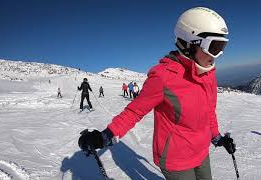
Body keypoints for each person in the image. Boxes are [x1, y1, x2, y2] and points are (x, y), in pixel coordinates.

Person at [78, 7, 236, 180]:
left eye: (223, 46)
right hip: (176, 159)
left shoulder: (207, 74)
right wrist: (105, 136)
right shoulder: (163, 77)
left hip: (201, 151)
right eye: (214, 46)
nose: (218, 55)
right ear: (191, 43)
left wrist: (216, 138)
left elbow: (209, 111)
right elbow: (134, 112)